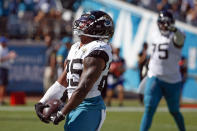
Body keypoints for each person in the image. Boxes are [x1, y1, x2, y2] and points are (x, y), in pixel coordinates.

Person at [35, 10, 114, 131]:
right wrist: (42, 101)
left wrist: (62, 112)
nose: (81, 23)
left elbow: (83, 88)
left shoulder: (98, 49)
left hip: (89, 106)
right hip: (74, 104)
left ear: (98, 27)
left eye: (87, 21)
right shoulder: (75, 47)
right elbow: (62, 82)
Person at [140, 10, 186, 131]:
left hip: (172, 80)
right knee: (149, 107)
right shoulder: (154, 34)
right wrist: (146, 65)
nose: (163, 25)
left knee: (174, 111)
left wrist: (174, 29)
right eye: (161, 22)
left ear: (172, 23)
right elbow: (153, 54)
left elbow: (180, 40)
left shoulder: (177, 34)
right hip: (155, 77)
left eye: (166, 23)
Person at [0, 37, 17, 105]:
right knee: (2, 85)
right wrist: (9, 56)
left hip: (5, 68)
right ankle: (1, 100)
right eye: (4, 42)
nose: (5, 43)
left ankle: (2, 99)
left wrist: (10, 56)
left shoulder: (5, 49)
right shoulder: (0, 49)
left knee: (4, 85)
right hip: (1, 68)